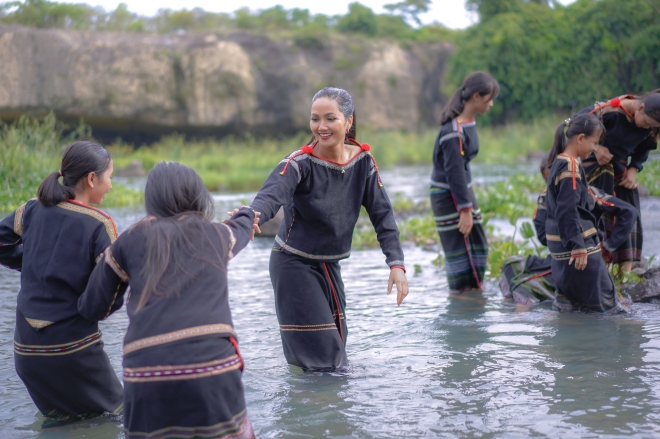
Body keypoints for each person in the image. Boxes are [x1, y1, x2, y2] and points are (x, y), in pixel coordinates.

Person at [78, 162, 257, 439]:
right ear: (198, 195)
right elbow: (242, 227)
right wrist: (246, 212)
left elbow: (94, 306)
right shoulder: (218, 235)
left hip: (146, 371)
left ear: (152, 199)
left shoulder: (128, 240)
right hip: (212, 366)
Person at [248, 87, 409, 371]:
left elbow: (383, 216)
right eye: (315, 119)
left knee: (335, 349)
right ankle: (317, 411)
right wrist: (252, 215)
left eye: (330, 118)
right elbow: (272, 195)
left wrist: (396, 264)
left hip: (329, 265)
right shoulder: (300, 163)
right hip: (293, 263)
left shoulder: (364, 162)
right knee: (327, 360)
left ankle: (318, 409)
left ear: (349, 121)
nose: (321, 126)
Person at [0, 140, 123, 421]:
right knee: (120, 415)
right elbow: (112, 285)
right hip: (73, 351)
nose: (112, 185)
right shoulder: (98, 223)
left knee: (61, 422)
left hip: (26, 353)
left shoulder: (32, 209)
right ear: (92, 179)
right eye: (110, 177)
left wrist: (34, 264)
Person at [500, 153, 637, 305]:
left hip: (585, 259)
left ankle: (526, 307)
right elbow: (542, 236)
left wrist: (607, 246)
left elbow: (629, 212)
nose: (555, 184)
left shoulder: (589, 193)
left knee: (526, 288)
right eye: (550, 180)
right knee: (511, 265)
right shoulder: (545, 198)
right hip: (560, 257)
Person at [543, 113, 631, 313]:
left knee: (568, 309)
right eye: (594, 143)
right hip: (580, 250)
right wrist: (578, 245)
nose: (594, 149)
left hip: (559, 249)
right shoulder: (571, 165)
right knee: (610, 308)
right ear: (581, 138)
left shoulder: (557, 161)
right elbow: (568, 209)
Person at [430, 71, 499, 294]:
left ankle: (473, 296)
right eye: (489, 99)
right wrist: (465, 209)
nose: (491, 104)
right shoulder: (454, 131)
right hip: (449, 195)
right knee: (462, 252)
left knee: (478, 246)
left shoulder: (468, 123)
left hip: (462, 193)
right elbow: (454, 171)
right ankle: (463, 303)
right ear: (477, 97)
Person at [578, 90, 660, 271]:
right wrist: (596, 147)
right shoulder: (608, 111)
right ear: (640, 107)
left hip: (621, 168)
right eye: (646, 123)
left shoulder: (651, 126)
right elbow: (575, 124)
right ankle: (600, 265)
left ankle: (625, 274)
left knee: (630, 206)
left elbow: (645, 148)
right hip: (596, 165)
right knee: (605, 206)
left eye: (651, 126)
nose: (646, 128)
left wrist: (633, 169)